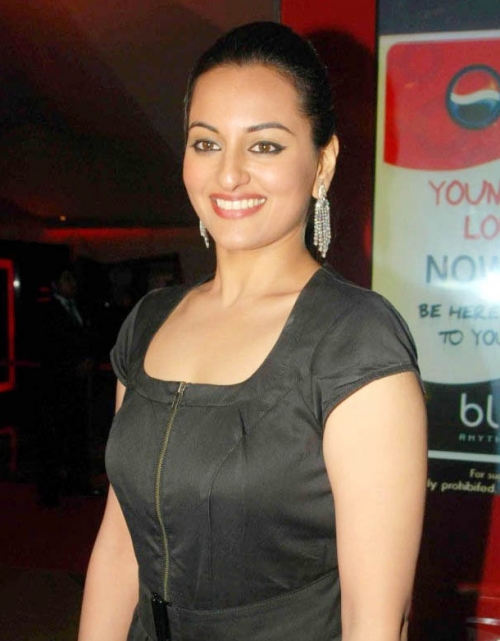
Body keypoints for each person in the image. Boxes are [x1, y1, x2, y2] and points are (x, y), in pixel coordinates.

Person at [78, 21, 427, 641]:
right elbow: (120, 545)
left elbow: (377, 621)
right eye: (206, 143)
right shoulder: (148, 323)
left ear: (322, 164)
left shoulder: (355, 341)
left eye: (264, 146)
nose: (229, 174)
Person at [37, 266, 95, 506]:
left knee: (76, 434)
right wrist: (73, 365)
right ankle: (50, 491)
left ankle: (76, 483)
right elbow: (49, 348)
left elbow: (85, 337)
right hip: (57, 385)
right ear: (55, 284)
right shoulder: (48, 310)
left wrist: (88, 360)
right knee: (54, 438)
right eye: (67, 280)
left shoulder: (76, 307)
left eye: (73, 280)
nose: (73, 284)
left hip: (76, 385)